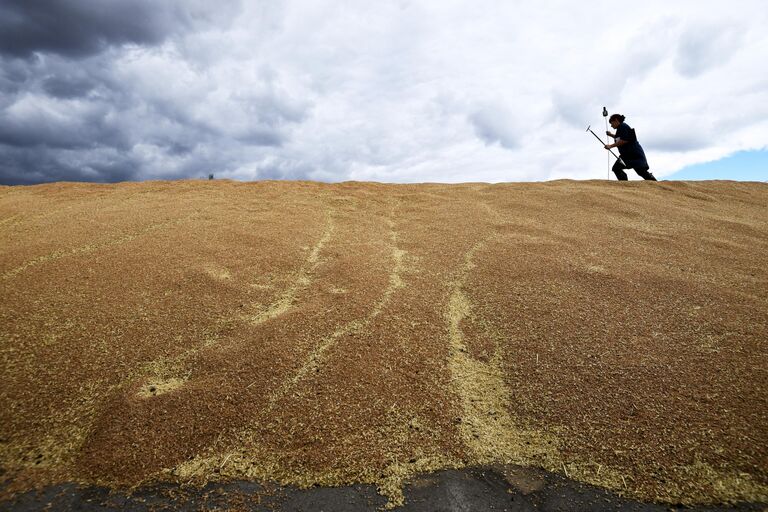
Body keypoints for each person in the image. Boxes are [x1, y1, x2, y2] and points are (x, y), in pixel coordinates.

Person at [605, 114, 657, 181]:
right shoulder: (621, 128)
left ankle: (624, 184)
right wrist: (611, 135)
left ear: (616, 120)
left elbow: (624, 140)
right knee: (617, 168)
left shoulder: (623, 126)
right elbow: (620, 137)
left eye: (612, 123)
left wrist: (610, 146)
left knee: (641, 171)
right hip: (629, 155)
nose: (611, 126)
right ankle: (624, 184)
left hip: (634, 155)